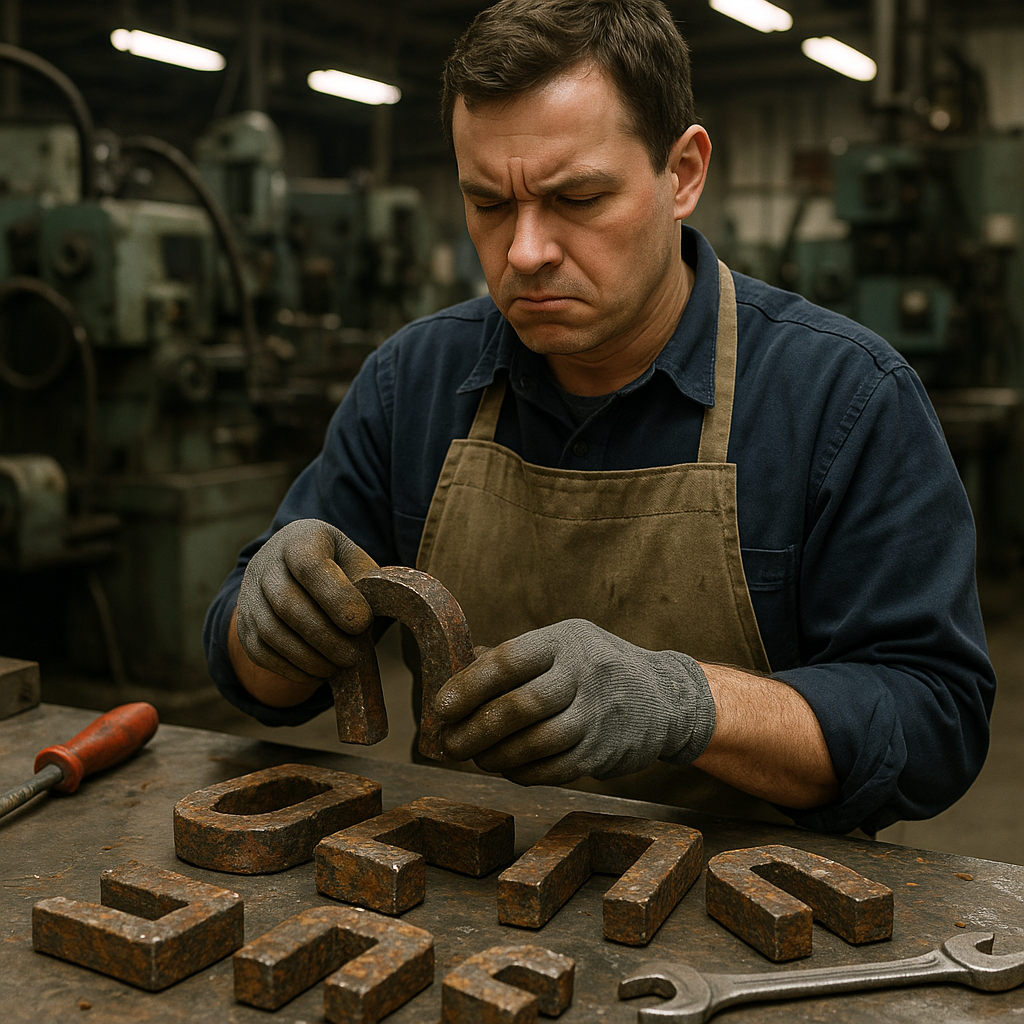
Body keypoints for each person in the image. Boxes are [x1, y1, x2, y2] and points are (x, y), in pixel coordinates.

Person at [204, 0, 995, 835]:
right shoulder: (413, 383)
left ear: (683, 173)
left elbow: (935, 723)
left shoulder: (844, 398)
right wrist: (272, 621)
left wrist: (688, 705)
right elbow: (254, 682)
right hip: (462, 899)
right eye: (489, 203)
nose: (525, 252)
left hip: (746, 930)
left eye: (577, 198)